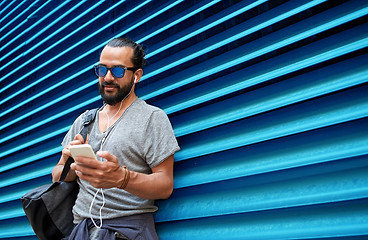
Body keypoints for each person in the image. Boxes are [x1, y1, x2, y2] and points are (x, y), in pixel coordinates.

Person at [52, 37, 180, 240]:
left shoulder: (152, 117)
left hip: (127, 232)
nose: (108, 77)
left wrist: (122, 179)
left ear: (136, 75)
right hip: (80, 231)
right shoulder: (84, 121)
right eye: (102, 70)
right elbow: (57, 176)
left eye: (118, 71)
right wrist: (72, 164)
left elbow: (165, 185)